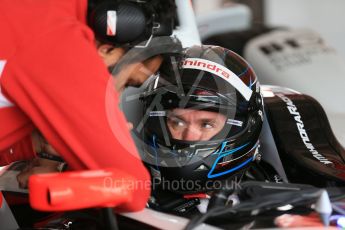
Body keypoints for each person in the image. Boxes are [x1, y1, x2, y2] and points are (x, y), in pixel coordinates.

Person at [0, 0, 164, 211]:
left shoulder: (33, 13)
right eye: (128, 82)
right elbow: (130, 190)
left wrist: (35, 144)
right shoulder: (55, 37)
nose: (118, 95)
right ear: (107, 49)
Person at [138, 45, 264, 214]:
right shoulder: (135, 194)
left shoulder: (277, 189)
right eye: (178, 122)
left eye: (206, 124)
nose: (189, 136)